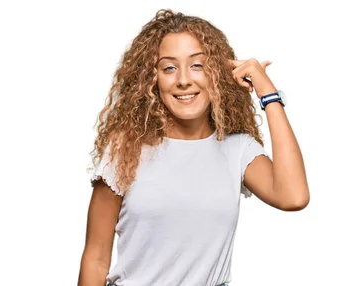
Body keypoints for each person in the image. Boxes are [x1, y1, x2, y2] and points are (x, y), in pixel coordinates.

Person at [77, 9, 310, 286]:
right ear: (152, 80)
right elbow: (96, 256)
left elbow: (293, 197)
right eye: (169, 67)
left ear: (217, 75)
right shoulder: (126, 149)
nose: (183, 79)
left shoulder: (237, 150)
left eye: (197, 65)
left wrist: (268, 94)